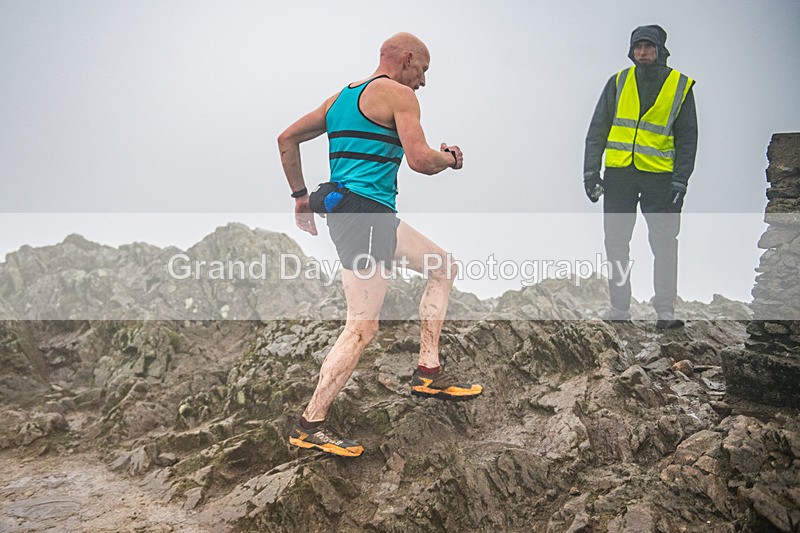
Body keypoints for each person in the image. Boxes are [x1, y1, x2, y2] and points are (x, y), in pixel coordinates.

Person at [277, 32, 483, 458]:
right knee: (362, 326)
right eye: (423, 71)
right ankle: (310, 424)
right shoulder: (397, 94)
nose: (423, 82)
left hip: (369, 216)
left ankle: (428, 370)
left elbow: (286, 138)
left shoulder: (340, 99)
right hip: (366, 216)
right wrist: (451, 158)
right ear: (406, 59)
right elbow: (421, 161)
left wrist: (300, 196)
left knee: (443, 267)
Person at [583, 25, 697, 330]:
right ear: (631, 51)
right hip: (619, 176)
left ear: (660, 50)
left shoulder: (680, 86)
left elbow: (688, 140)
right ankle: (619, 307)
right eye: (638, 48)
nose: (642, 53)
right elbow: (597, 131)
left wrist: (680, 183)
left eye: (648, 47)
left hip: (661, 180)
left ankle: (665, 311)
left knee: (664, 244)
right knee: (616, 242)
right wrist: (590, 172)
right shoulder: (618, 82)